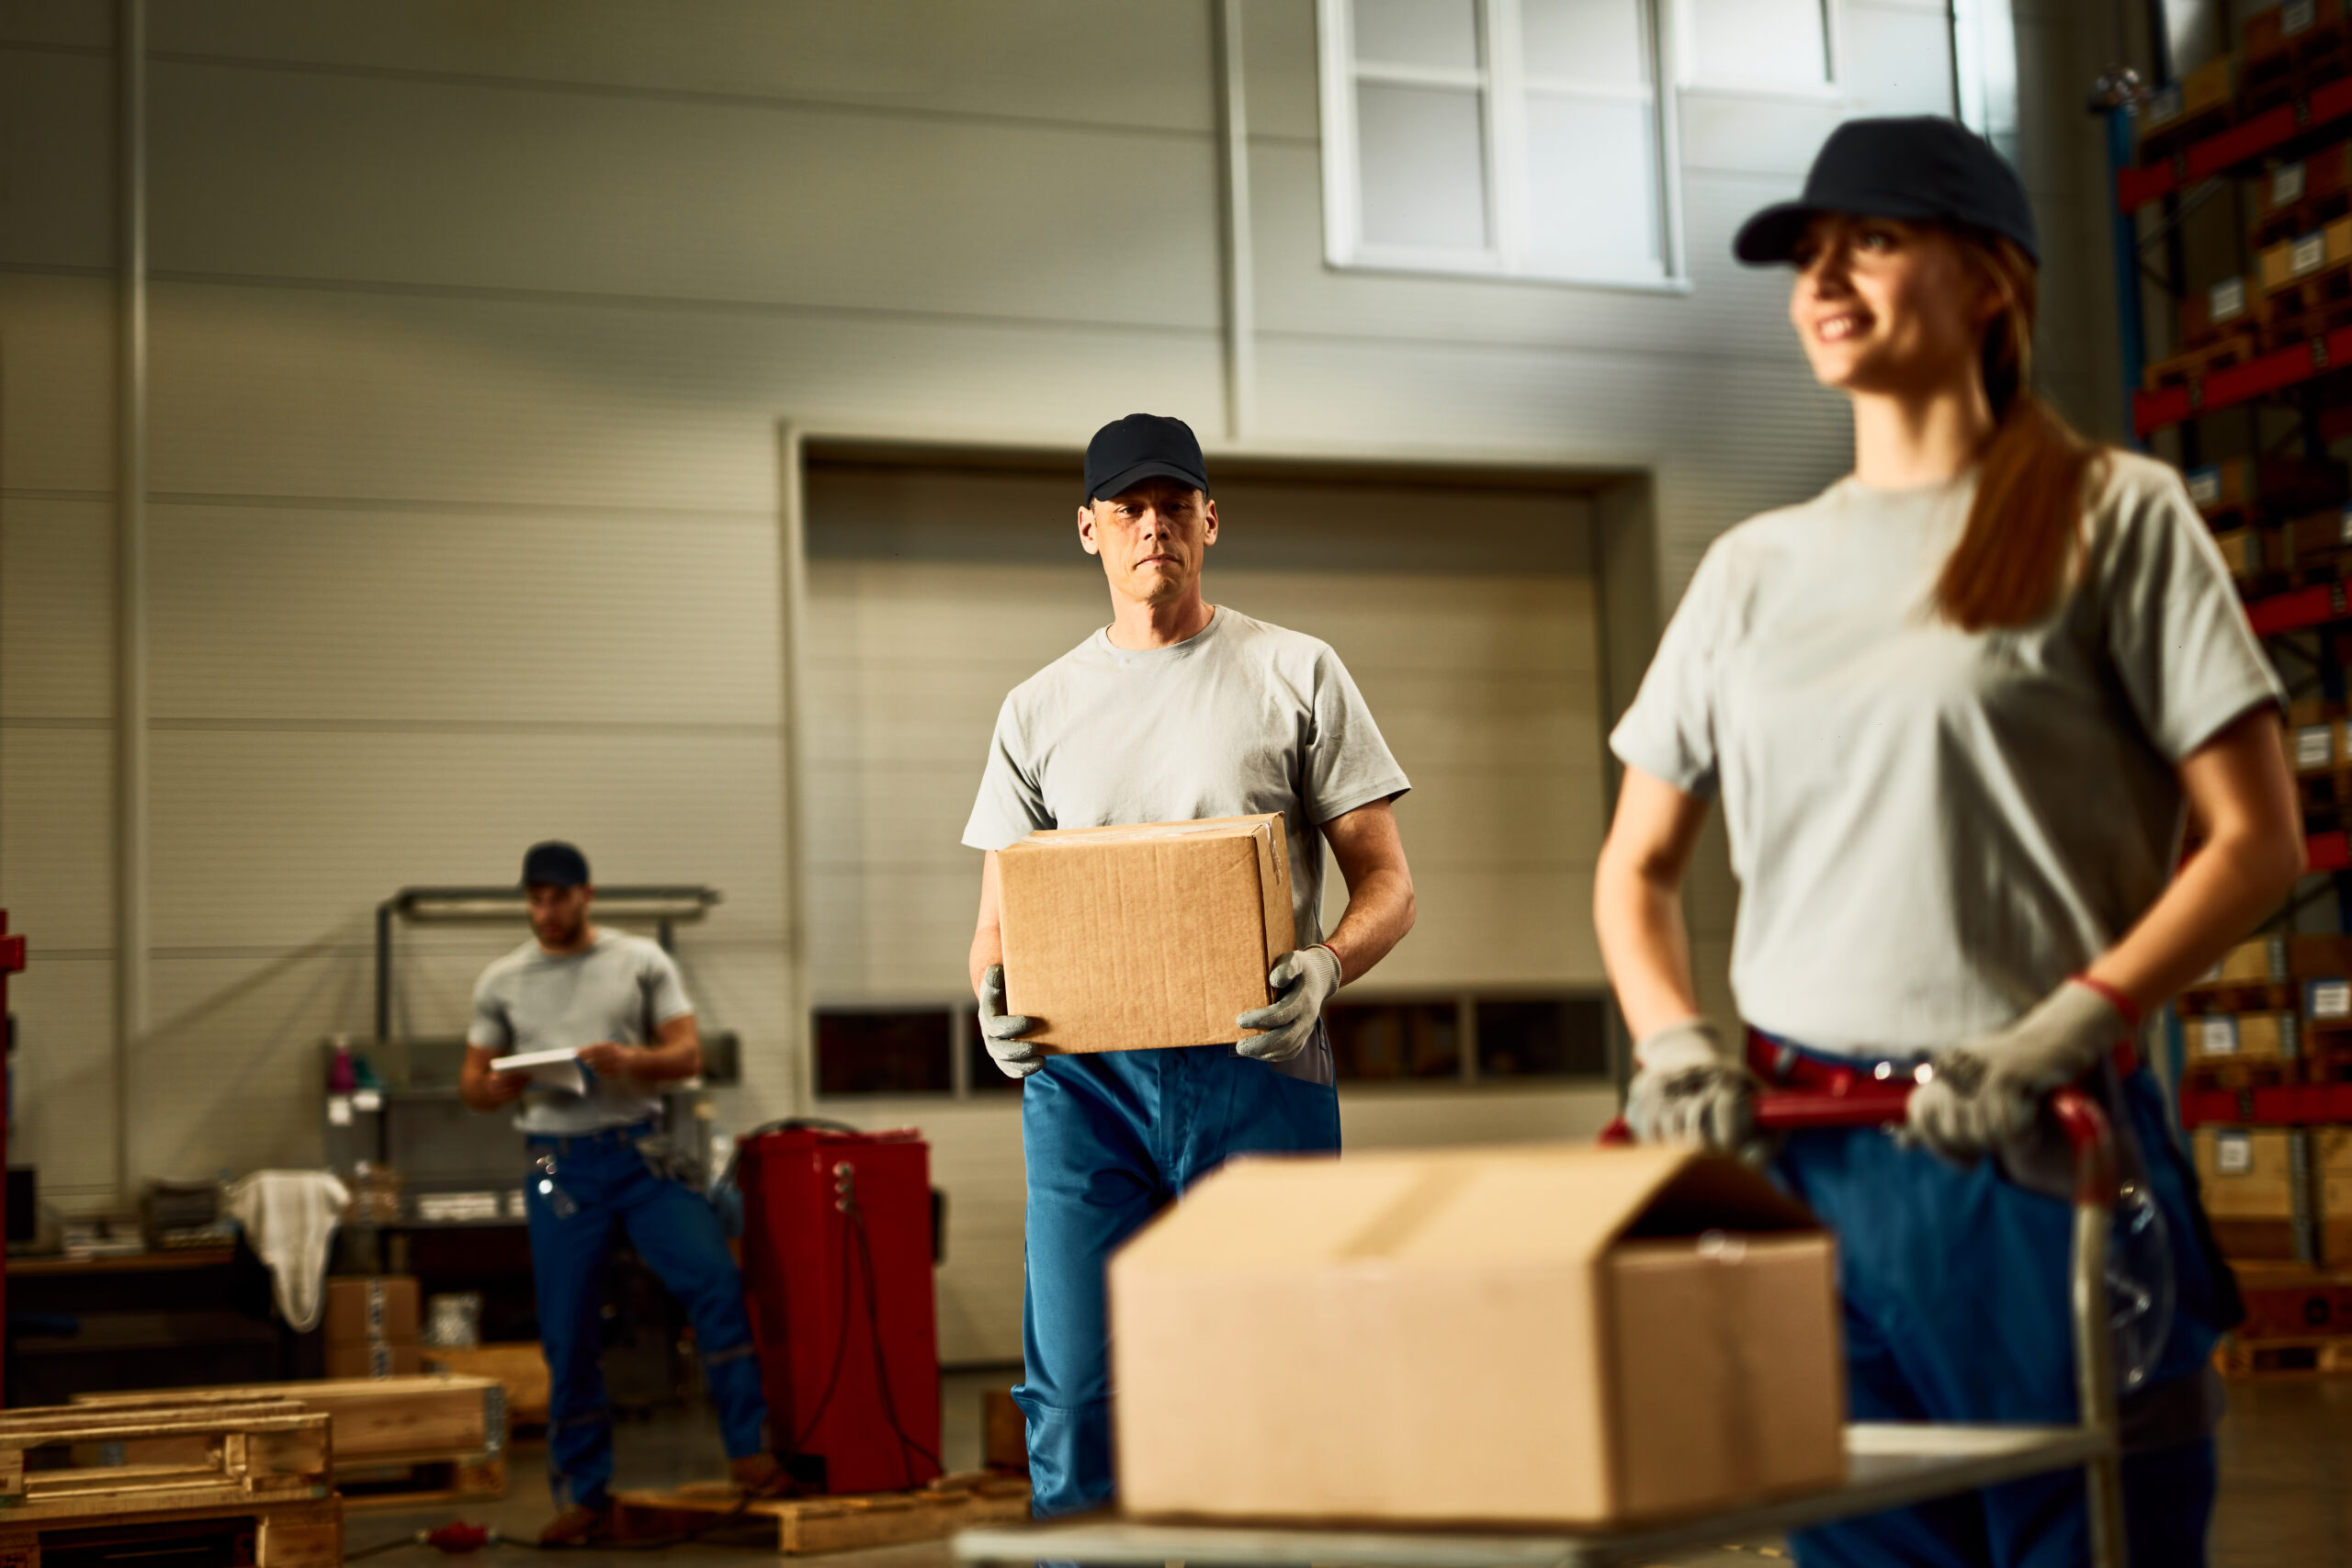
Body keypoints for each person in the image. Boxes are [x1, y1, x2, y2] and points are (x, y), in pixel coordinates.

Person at [1595, 118, 2301, 1568]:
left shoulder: (2116, 515)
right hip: (1803, 1178)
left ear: (1990, 282)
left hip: (2032, 1158)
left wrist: (2071, 1025)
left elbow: (2255, 838)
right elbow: (1637, 865)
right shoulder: (1752, 571)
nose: (1824, 277)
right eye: (1806, 254)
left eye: (1871, 238)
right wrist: (1672, 1044)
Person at [962, 413, 1419, 1517]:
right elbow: (998, 921)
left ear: (1210, 519)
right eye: (1128, 508)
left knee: (1277, 1380)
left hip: (1257, 1067)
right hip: (1086, 1087)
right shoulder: (1037, 710)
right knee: (1075, 1397)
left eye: (1175, 504)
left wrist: (1324, 967)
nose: (1153, 525)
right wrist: (989, 999)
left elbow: (1389, 887)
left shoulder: (1294, 672)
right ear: (1089, 530)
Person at [459, 840, 783, 1544]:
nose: (545, 909)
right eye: (535, 898)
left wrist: (633, 1059)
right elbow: (472, 1083)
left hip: (638, 1160)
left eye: (558, 896)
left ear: (586, 894)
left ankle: (751, 1453)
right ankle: (584, 1496)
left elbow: (688, 1054)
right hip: (558, 1168)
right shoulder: (502, 979)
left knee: (716, 1282)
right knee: (567, 1329)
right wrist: (494, 1085)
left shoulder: (640, 961)